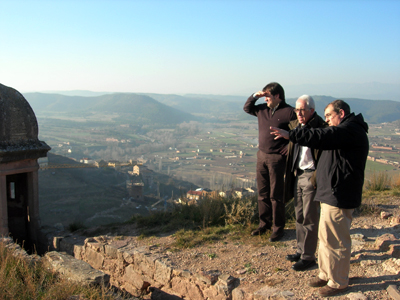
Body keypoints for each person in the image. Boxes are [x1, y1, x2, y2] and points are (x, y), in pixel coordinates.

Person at [270, 100, 369, 297]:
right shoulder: (344, 130)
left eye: (329, 116)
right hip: (330, 192)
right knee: (325, 237)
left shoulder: (349, 130)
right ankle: (325, 273)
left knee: (337, 240)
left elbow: (324, 135)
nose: (327, 121)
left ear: (341, 113)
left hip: (339, 194)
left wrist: (293, 134)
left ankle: (339, 282)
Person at [243, 82, 296, 241]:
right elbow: (247, 108)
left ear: (277, 96)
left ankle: (278, 228)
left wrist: (290, 145)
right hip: (262, 156)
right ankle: (264, 225)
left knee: (276, 195)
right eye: (264, 96)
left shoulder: (289, 112)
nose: (265, 99)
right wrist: (254, 96)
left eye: (268, 96)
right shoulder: (262, 110)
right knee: (263, 194)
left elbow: (300, 131)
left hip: (277, 158)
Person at [283, 95, 327, 271]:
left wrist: (316, 178)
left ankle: (309, 256)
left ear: (312, 111)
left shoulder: (320, 128)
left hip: (311, 176)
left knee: (310, 217)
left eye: (302, 110)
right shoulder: (296, 126)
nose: (298, 113)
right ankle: (301, 250)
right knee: (299, 214)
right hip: (298, 174)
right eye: (297, 110)